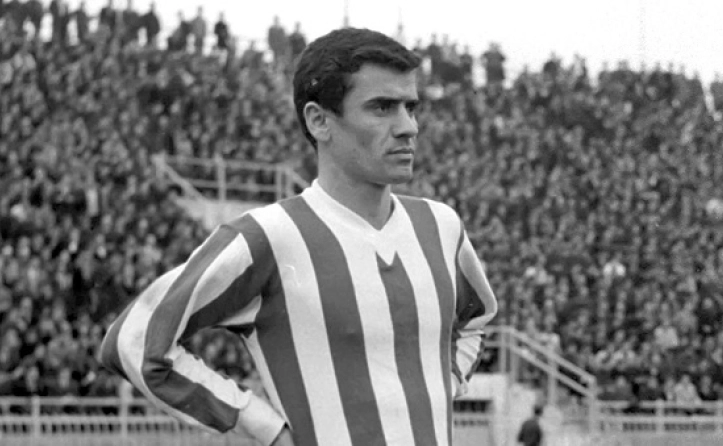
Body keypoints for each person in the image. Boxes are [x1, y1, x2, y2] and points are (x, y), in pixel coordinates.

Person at [100, 27, 497, 446]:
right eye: (382, 108)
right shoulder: (269, 236)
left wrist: (442, 383)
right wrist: (263, 426)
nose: (408, 127)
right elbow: (133, 340)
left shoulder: (441, 226)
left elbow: (476, 319)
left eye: (410, 108)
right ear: (319, 120)